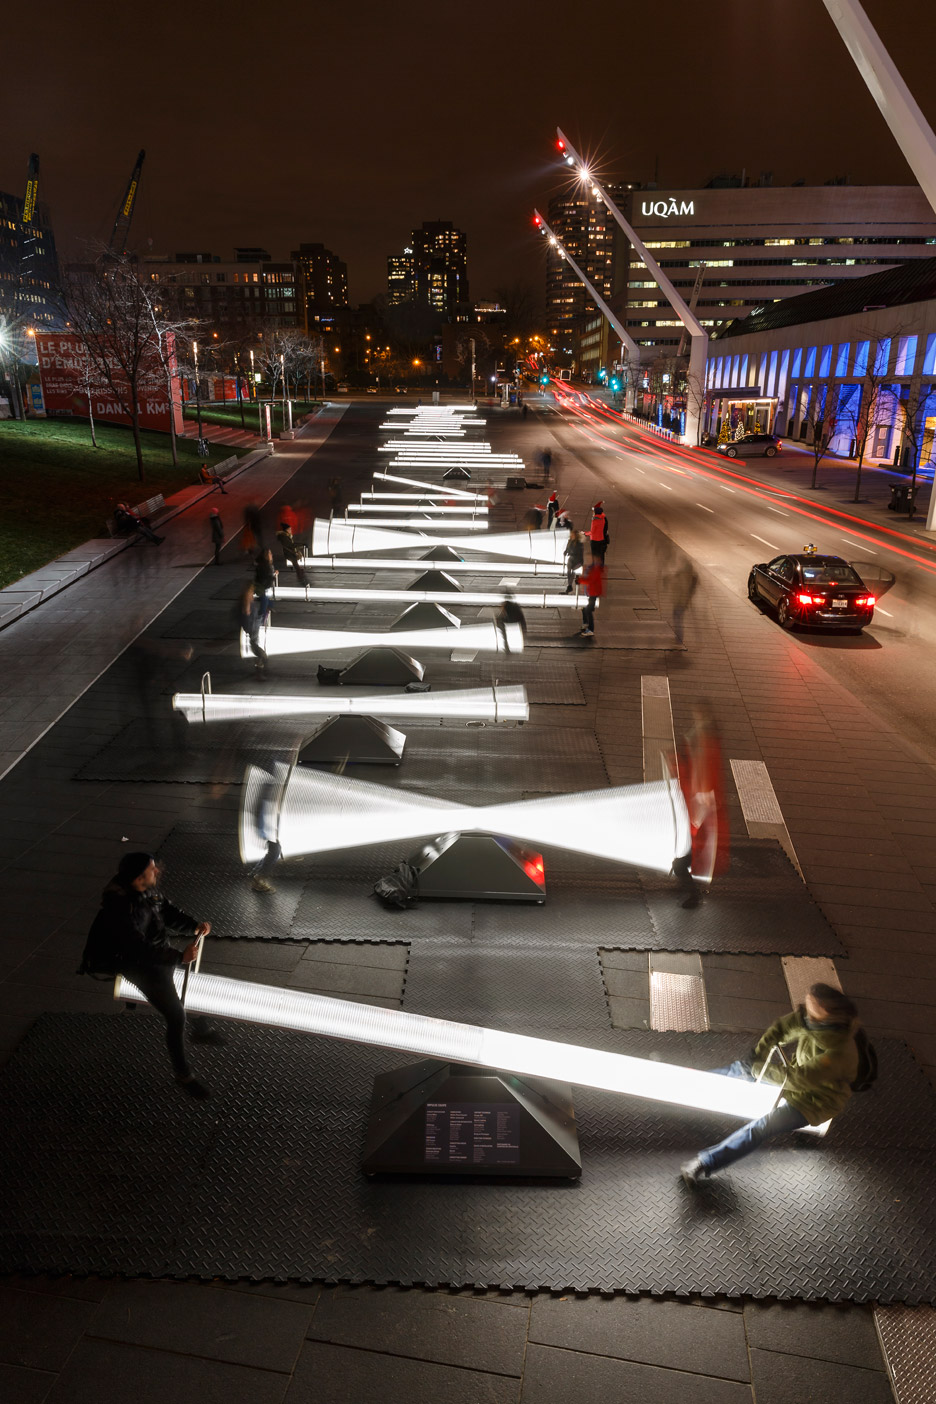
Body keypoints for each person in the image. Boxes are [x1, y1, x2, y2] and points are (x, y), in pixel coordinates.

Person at [681, 985, 862, 1187]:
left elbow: (800, 1079)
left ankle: (705, 1162)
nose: (805, 1013)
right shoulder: (811, 1019)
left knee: (762, 1127)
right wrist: (757, 1057)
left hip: (815, 1102)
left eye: (811, 1009)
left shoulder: (839, 1053)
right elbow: (781, 1029)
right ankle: (691, 1084)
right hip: (796, 1078)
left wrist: (757, 1069)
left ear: (826, 1017)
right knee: (742, 1069)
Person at [78, 852, 221, 1099]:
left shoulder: (146, 891)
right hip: (140, 966)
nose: (157, 871)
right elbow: (137, 948)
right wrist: (179, 957)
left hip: (157, 954)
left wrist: (193, 925)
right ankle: (183, 1074)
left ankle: (199, 1028)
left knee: (190, 988)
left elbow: (166, 911)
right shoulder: (120, 908)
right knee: (176, 1016)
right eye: (151, 869)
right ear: (137, 877)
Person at [249, 771, 284, 894]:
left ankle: (256, 872)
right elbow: (268, 808)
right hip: (268, 823)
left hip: (268, 822)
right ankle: (259, 879)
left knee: (274, 849)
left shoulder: (273, 785)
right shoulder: (273, 787)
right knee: (275, 850)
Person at [240, 582, 268, 676]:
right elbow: (247, 611)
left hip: (254, 623)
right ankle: (261, 661)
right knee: (254, 643)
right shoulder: (247, 598)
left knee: (254, 642)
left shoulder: (248, 597)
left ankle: (260, 663)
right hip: (253, 624)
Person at [669, 559, 698, 645]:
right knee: (677, 619)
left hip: (680, 602)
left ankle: (679, 640)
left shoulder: (683, 577)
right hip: (682, 602)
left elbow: (680, 590)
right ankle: (678, 638)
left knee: (678, 620)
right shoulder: (689, 577)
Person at [275, 521, 307, 585]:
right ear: (286, 530)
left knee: (297, 566)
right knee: (297, 567)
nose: (291, 530)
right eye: (289, 529)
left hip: (290, 553)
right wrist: (302, 544)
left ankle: (302, 577)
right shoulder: (284, 537)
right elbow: (291, 545)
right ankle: (302, 579)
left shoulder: (286, 536)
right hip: (289, 554)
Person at [579, 560, 604, 637]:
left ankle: (590, 629)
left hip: (594, 593)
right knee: (585, 609)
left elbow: (590, 580)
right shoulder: (592, 568)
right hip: (591, 592)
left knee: (588, 610)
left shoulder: (595, 569)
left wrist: (580, 580)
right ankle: (586, 624)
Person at [254, 548, 277, 625]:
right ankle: (260, 624)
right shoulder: (264, 566)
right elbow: (264, 578)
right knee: (264, 607)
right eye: (270, 553)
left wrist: (273, 574)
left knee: (268, 603)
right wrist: (273, 577)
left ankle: (264, 617)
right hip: (262, 588)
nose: (271, 555)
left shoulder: (267, 564)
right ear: (266, 556)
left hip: (264, 587)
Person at [563, 527, 585, 594]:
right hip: (572, 558)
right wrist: (566, 552)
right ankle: (569, 585)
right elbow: (567, 549)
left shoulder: (579, 543)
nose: (571, 536)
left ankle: (570, 585)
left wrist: (570, 552)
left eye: (573, 535)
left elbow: (579, 552)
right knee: (569, 569)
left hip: (578, 560)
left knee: (573, 570)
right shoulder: (569, 541)